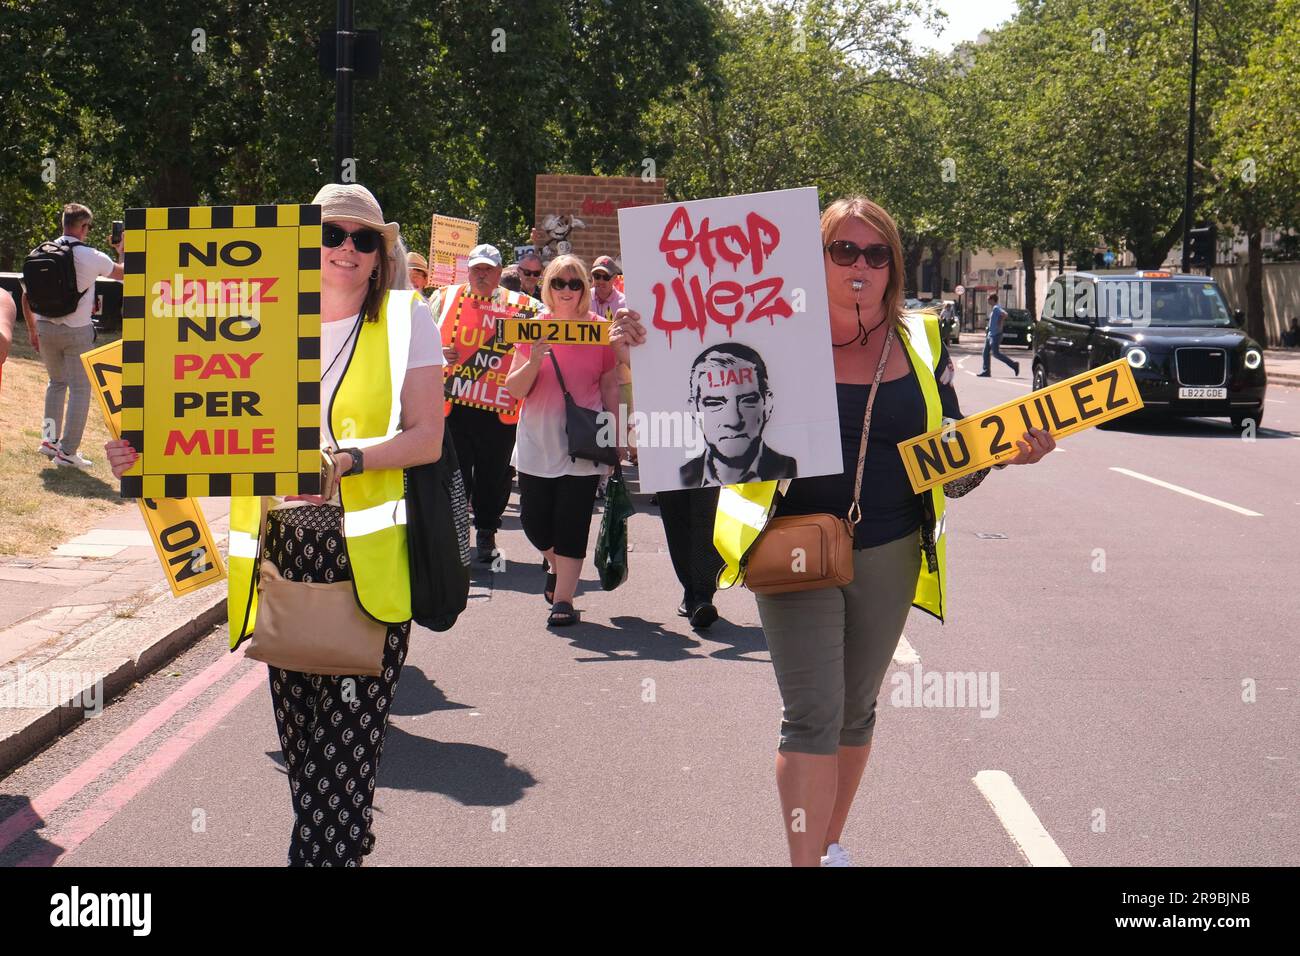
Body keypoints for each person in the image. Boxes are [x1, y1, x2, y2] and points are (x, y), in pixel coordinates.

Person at [610, 195, 1056, 867]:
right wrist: (638, 353)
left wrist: (1000, 452)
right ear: (814, 259)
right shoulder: (773, 333)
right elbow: (685, 406)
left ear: (893, 268)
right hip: (790, 546)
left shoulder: (923, 340)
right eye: (843, 250)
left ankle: (825, 848)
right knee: (811, 715)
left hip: (893, 550)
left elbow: (949, 467)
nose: (860, 265)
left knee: (855, 712)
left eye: (876, 254)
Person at [108, 183, 444, 866]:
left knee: (341, 757)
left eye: (363, 239)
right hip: (281, 559)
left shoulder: (409, 320)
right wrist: (139, 455)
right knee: (304, 754)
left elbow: (427, 437)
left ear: (381, 254)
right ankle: (344, 840)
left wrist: (346, 460)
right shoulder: (254, 320)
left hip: (367, 567)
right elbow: (204, 426)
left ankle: (331, 848)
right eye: (330, 235)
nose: (346, 249)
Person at [504, 254, 622, 627]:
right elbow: (515, 388)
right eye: (559, 283)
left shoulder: (600, 329)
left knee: (573, 522)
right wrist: (535, 359)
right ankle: (557, 567)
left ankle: (565, 599)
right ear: (548, 288)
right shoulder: (532, 328)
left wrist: (616, 433)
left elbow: (609, 384)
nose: (567, 290)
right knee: (535, 522)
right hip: (537, 439)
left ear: (585, 289)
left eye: (575, 283)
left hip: (583, 440)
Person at [428, 244, 532, 561]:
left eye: (488, 269)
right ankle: (457, 535)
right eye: (477, 268)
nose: (482, 274)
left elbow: (550, 327)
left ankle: (486, 532)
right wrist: (437, 349)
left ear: (500, 272)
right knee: (455, 475)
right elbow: (416, 337)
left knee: (493, 475)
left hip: (499, 409)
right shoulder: (443, 298)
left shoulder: (522, 304)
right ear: (467, 270)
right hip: (454, 406)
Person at [22, 203, 124, 467]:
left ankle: (48, 440)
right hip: (76, 331)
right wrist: (121, 251)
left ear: (63, 223)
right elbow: (125, 275)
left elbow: (25, 294)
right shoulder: (92, 256)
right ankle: (67, 452)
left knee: (56, 383)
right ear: (83, 226)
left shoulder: (40, 251)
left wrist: (33, 330)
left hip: (45, 328)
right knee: (80, 389)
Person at [678, 343, 799, 486]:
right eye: (714, 403)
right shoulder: (678, 478)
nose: (734, 420)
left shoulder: (796, 469)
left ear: (767, 404)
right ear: (694, 410)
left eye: (748, 400)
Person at [978, 292, 1019, 377]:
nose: (988, 301)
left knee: (996, 354)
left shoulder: (996, 308)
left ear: (993, 300)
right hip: (990, 334)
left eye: (989, 299)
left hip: (995, 334)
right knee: (985, 352)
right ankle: (986, 371)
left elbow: (1004, 314)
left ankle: (1014, 365)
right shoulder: (994, 308)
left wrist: (1000, 322)